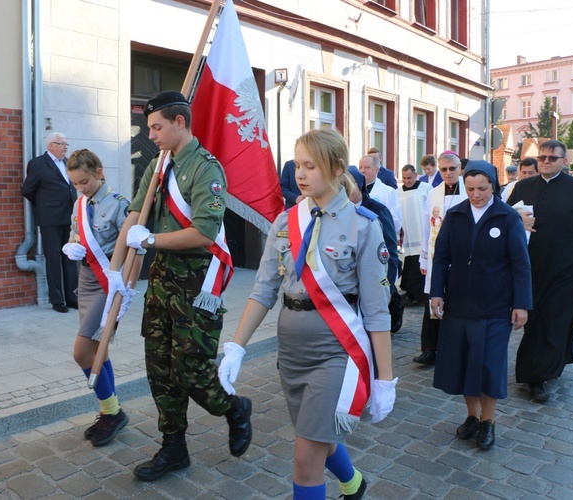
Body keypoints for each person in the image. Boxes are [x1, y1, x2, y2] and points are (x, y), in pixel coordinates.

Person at [218, 129, 396, 499]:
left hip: (335, 351)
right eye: (297, 165)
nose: (300, 174)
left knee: (305, 458)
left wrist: (385, 379)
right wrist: (236, 346)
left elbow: (377, 312)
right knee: (317, 438)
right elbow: (264, 289)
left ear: (335, 168)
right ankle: (353, 483)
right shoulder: (285, 223)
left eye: (310, 166)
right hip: (292, 351)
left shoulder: (363, 225)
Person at [107, 91, 252, 481]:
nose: (150, 134)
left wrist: (150, 241)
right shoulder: (158, 164)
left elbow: (204, 232)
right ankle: (173, 447)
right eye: (150, 127)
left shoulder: (207, 169)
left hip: (195, 282)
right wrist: (115, 271)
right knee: (159, 369)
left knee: (191, 371)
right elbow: (137, 213)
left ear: (179, 122)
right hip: (161, 280)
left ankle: (234, 409)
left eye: (156, 127)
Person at [431, 161, 531, 450]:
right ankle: (472, 415)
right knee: (464, 362)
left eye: (482, 189)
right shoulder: (456, 214)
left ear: (494, 186)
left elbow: (520, 264)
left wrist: (521, 304)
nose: (476, 195)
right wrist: (437, 292)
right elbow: (441, 257)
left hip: (496, 307)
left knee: (489, 365)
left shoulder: (507, 216)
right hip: (459, 304)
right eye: (470, 189)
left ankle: (489, 421)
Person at [507, 140, 573, 402]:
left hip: (567, 269)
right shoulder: (523, 186)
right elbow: (503, 217)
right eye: (542, 157)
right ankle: (551, 362)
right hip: (530, 268)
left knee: (553, 320)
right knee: (534, 320)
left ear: (565, 161)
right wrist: (517, 219)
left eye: (553, 157)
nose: (547, 161)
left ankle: (536, 376)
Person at [60, 149, 130, 446]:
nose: (81, 188)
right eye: (75, 183)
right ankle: (111, 412)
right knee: (97, 349)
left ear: (99, 172)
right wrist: (71, 245)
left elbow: (131, 246)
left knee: (82, 352)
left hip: (108, 281)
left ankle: (112, 412)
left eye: (85, 181)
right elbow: (77, 233)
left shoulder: (119, 205)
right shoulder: (80, 203)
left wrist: (120, 278)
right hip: (86, 279)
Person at [414, 151, 466, 365]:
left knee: (457, 303)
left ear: (459, 169)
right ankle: (429, 349)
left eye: (452, 169)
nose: (448, 173)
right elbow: (426, 227)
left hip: (461, 256)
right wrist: (423, 259)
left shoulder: (469, 190)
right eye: (443, 169)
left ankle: (454, 350)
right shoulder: (433, 193)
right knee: (432, 303)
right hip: (437, 256)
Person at [21, 132, 79, 313]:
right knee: (53, 259)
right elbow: (27, 190)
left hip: (69, 217)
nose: (65, 147)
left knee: (70, 258)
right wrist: (44, 205)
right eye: (61, 144)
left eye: (66, 144)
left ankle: (71, 297)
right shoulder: (38, 164)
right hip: (50, 219)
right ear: (50, 146)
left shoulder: (69, 163)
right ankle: (57, 300)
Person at [347, 165, 404, 333]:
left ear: (357, 185)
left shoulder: (377, 210)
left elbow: (390, 251)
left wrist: (389, 285)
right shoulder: (340, 211)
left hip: (373, 278)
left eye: (345, 185)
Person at [398, 164, 432, 306]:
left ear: (416, 175)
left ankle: (421, 294)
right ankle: (412, 292)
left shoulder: (426, 188)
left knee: (421, 262)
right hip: (408, 233)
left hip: (422, 231)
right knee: (410, 261)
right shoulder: (398, 192)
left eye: (410, 178)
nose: (407, 181)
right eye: (404, 178)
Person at [358, 155, 402, 239]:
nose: (363, 171)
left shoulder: (388, 191)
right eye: (360, 167)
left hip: (381, 238)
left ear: (377, 170)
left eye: (367, 167)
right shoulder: (355, 191)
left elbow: (396, 221)